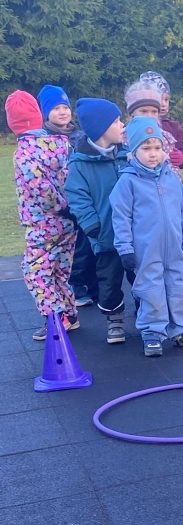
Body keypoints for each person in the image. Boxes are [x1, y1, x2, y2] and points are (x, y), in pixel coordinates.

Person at [110, 117, 183, 356]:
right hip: (146, 250)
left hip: (175, 248)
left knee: (180, 286)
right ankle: (152, 332)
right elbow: (121, 218)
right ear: (133, 151)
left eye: (157, 147)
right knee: (150, 289)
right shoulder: (128, 182)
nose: (153, 154)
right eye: (146, 148)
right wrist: (125, 248)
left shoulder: (171, 178)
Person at [4, 90, 78, 341]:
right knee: (59, 268)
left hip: (43, 221)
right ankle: (70, 314)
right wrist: (70, 208)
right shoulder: (60, 143)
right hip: (68, 221)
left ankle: (55, 317)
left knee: (35, 270)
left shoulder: (25, 151)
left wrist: (59, 206)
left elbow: (40, 186)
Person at [64, 98, 129, 344]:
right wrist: (93, 226)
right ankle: (115, 320)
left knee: (143, 277)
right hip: (106, 235)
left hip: (135, 233)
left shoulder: (126, 155)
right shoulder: (80, 163)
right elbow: (77, 197)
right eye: (116, 121)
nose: (122, 125)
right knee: (109, 282)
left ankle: (149, 318)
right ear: (101, 128)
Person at [38, 84, 99, 308]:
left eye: (65, 107)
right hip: (60, 202)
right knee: (72, 247)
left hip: (82, 196)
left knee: (88, 243)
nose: (62, 112)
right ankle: (75, 285)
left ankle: (93, 286)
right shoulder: (43, 141)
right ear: (46, 113)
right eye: (56, 109)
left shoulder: (80, 137)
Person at [139, 71, 183, 169]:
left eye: (166, 99)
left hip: (170, 175)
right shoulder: (136, 126)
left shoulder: (173, 127)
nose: (163, 104)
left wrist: (182, 157)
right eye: (159, 99)